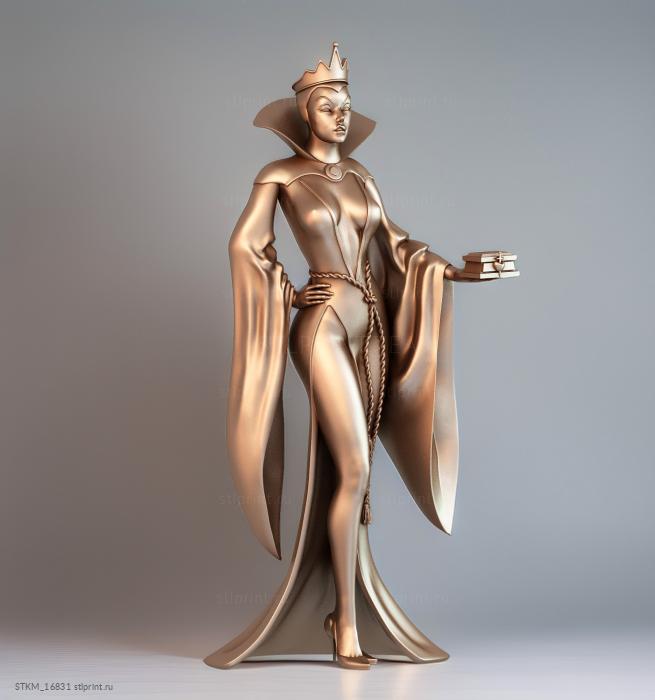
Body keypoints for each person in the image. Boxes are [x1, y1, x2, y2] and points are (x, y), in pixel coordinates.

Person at [204, 43, 490, 671]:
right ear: (305, 113)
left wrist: (455, 273)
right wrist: (286, 291)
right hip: (323, 329)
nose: (339, 116)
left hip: (372, 332)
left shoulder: (362, 177)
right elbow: (245, 246)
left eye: (346, 106)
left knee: (350, 475)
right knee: (354, 467)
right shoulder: (279, 176)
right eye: (327, 106)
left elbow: (397, 245)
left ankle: (345, 604)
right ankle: (345, 624)